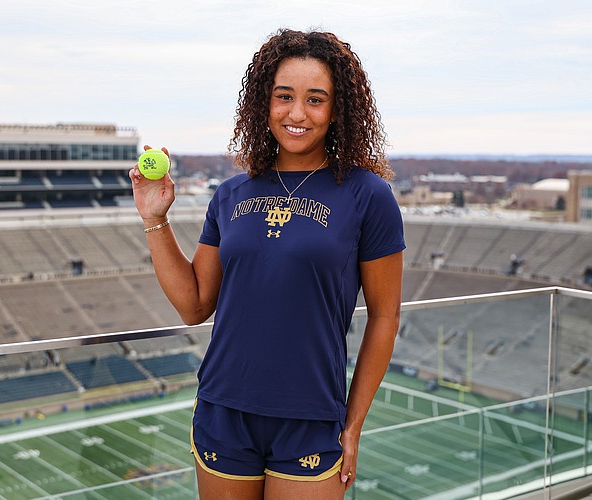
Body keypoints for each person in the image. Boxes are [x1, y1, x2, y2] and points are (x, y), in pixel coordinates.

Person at [129, 28, 405, 500]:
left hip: (311, 417)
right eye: (284, 97)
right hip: (223, 410)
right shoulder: (232, 193)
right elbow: (195, 306)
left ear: (338, 110)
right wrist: (155, 219)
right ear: (264, 103)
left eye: (315, 99)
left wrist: (354, 424)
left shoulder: (367, 195)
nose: (297, 113)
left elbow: (385, 316)